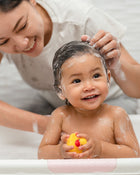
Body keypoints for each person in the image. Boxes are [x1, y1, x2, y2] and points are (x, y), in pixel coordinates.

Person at [0, 0, 138, 134]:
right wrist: (46, 125)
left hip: (111, 99)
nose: (22, 44)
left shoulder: (82, 18)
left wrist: (117, 66)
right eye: (4, 41)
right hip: (56, 104)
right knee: (17, 136)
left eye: (23, 26)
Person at [38, 41, 139, 159]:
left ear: (108, 78)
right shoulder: (60, 116)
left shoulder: (116, 115)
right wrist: (60, 151)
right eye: (77, 81)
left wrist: (100, 149)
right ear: (61, 91)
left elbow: (134, 154)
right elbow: (42, 153)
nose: (89, 87)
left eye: (96, 76)